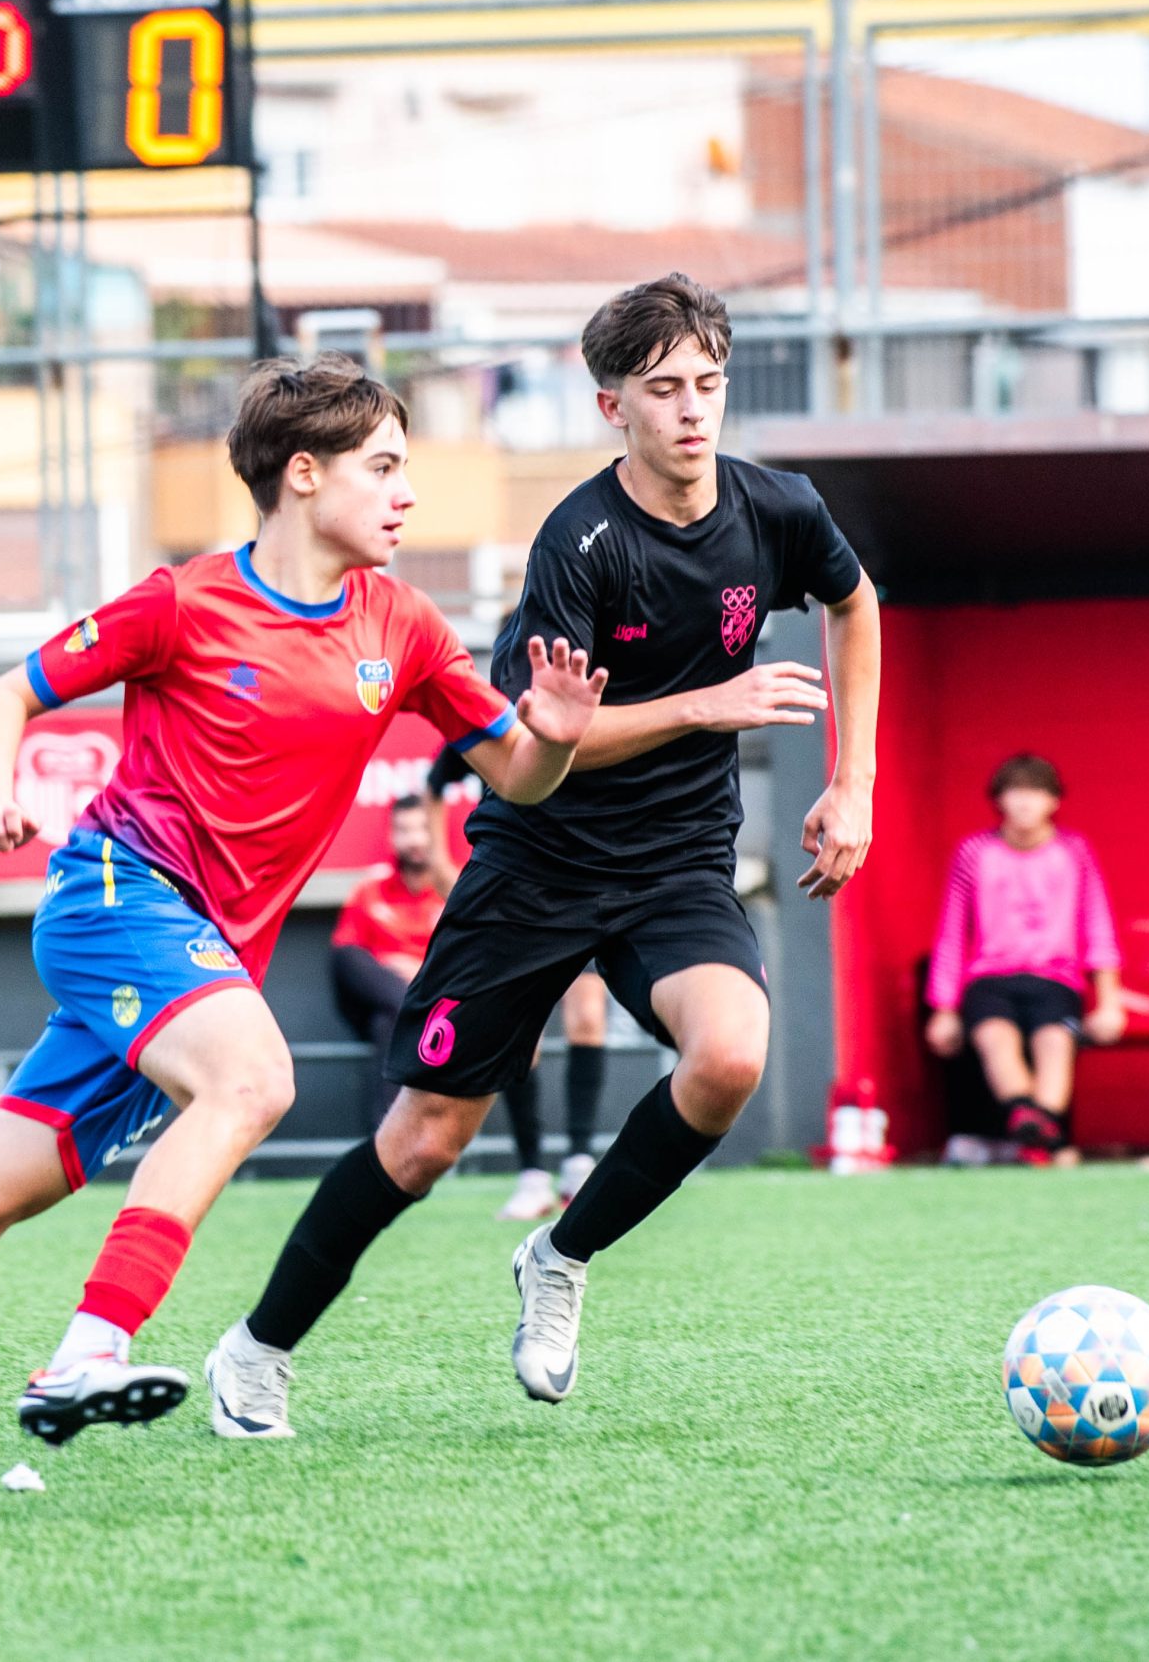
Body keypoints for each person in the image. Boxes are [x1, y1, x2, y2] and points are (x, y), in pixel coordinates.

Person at [0, 353, 601, 1513]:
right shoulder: (182, 600)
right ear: (301, 474)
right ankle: (89, 1345)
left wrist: (562, 734)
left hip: (195, 962)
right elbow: (3, 698)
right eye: (383, 467)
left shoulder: (407, 624)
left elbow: (521, 779)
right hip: (114, 899)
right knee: (251, 1077)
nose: (404, 494)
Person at [203, 274, 879, 1440]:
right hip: (539, 861)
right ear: (610, 403)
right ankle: (256, 1348)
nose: (691, 412)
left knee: (728, 1057)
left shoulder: (775, 510)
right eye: (662, 390)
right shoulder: (580, 543)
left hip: (675, 866)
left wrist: (851, 779)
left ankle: (559, 1255)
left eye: (707, 385)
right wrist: (706, 704)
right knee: (422, 1141)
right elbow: (533, 750)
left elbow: (855, 600)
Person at [423, 744, 615, 1221]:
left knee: (588, 1017)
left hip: (586, 888)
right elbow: (436, 781)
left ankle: (579, 1165)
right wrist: (437, 861)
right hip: (517, 893)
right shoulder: (499, 714)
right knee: (521, 1036)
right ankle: (532, 1176)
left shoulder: (599, 708)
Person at [923, 754, 1125, 1167]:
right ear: (999, 800)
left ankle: (1038, 1127)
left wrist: (1109, 1000)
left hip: (1056, 979)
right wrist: (943, 1009)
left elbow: (1098, 923)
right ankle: (1040, 1131)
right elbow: (951, 930)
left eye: (1035, 793)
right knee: (996, 1038)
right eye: (1014, 792)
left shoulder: (1074, 852)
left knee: (1054, 1041)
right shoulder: (974, 852)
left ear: (1053, 800)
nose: (1024, 803)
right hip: (990, 978)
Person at [330, 793, 455, 1131]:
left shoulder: (456, 893)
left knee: (391, 1020)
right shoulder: (370, 890)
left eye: (421, 829)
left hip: (431, 1011)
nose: (413, 839)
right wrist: (395, 973)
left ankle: (383, 1139)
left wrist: (418, 974)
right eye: (403, 829)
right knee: (348, 957)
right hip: (375, 999)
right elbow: (348, 961)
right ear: (391, 835)